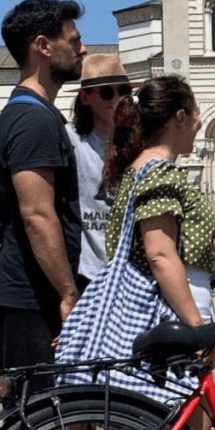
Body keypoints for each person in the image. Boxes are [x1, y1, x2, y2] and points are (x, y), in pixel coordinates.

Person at [94, 75, 215, 429]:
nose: (199, 122)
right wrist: (196, 326)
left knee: (170, 421)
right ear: (180, 117)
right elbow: (161, 255)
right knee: (188, 423)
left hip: (168, 306)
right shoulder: (160, 173)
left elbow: (184, 250)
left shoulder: (138, 171)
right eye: (196, 113)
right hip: (173, 311)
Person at [0, 0, 87, 402]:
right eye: (73, 40)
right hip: (32, 297)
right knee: (44, 417)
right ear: (43, 46)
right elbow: (37, 214)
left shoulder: (35, 113)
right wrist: (67, 293)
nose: (82, 48)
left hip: (33, 293)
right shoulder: (32, 120)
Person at [66, 53, 134, 290]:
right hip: (87, 273)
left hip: (131, 272)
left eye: (124, 90)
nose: (117, 99)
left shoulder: (138, 144)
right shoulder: (71, 140)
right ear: (85, 97)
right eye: (107, 92)